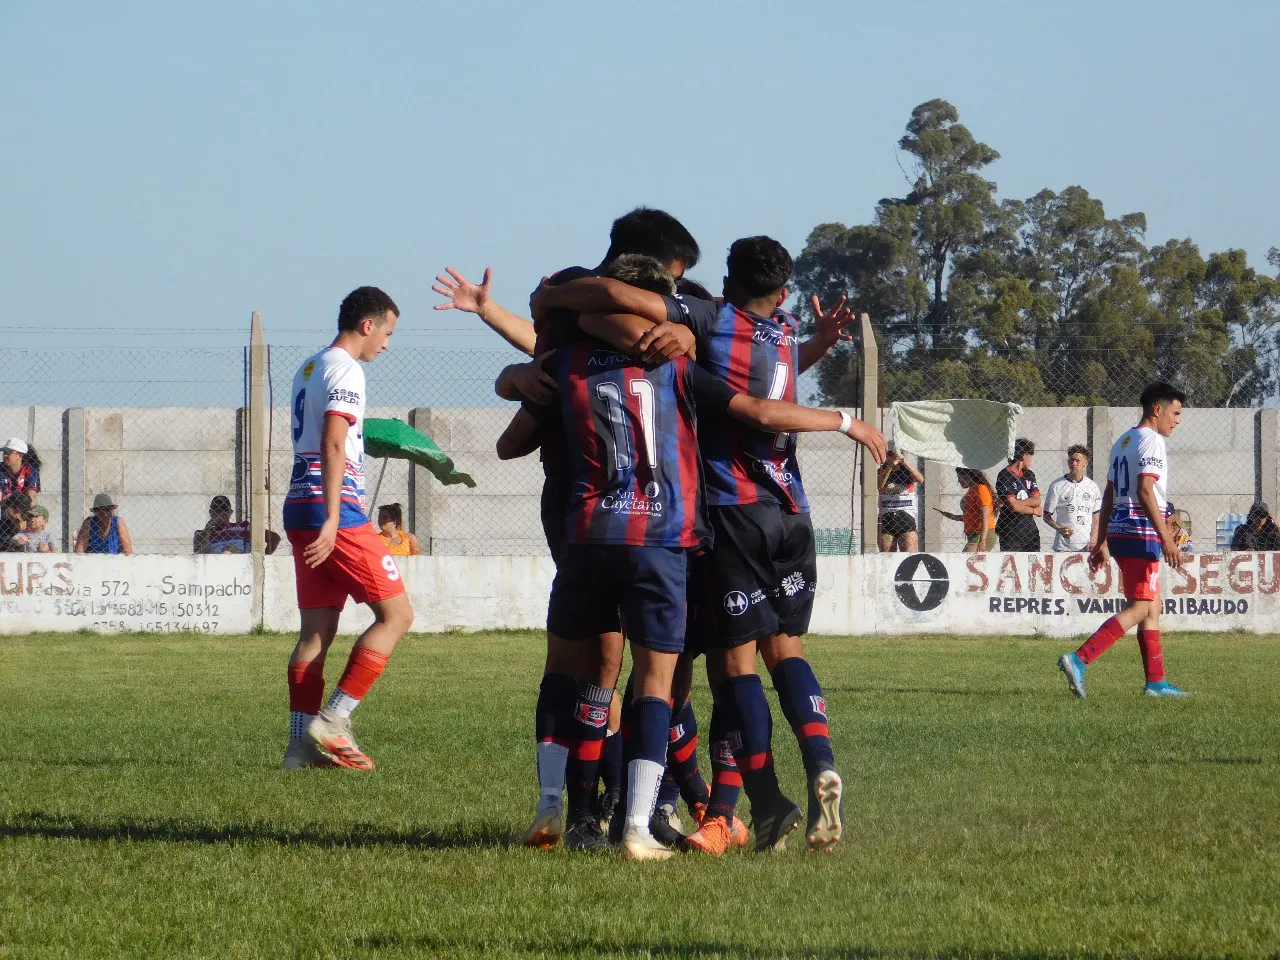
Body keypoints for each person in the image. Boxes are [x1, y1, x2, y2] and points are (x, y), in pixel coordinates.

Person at [499, 254, 884, 860]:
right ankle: (707, 803)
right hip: (725, 524)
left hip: (633, 532)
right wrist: (842, 409)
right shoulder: (733, 351)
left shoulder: (584, 360)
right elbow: (759, 400)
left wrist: (527, 359)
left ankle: (594, 808)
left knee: (618, 672)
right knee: (725, 667)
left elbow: (509, 442)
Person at [441, 209, 702, 852]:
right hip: (596, 509)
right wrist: (512, 360)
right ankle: (611, 808)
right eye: (669, 283)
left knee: (638, 664)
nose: (668, 302)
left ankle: (628, 802)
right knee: (613, 662)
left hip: (605, 513)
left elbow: (555, 348)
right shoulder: (595, 299)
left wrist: (517, 348)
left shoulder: (618, 312)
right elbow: (547, 350)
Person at [281, 286, 415, 772]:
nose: (387, 343)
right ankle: (335, 718)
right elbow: (333, 441)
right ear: (368, 325)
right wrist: (337, 517)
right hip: (329, 507)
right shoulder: (346, 369)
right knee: (397, 616)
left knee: (316, 630)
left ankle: (299, 748)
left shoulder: (310, 366)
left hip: (298, 504)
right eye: (388, 332)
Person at [1058, 382, 1190, 700]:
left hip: (1121, 530)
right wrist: (1166, 539)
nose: (1178, 420)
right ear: (1156, 410)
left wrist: (1102, 540)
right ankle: (1079, 659)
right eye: (1175, 412)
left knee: (1152, 607)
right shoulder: (1152, 442)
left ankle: (1156, 683)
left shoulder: (1123, 441)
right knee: (1141, 606)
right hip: (1141, 533)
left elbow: (1109, 493)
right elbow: (1145, 490)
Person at [1041, 446, 1103, 553]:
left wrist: (1093, 540)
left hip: (1087, 546)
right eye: (1071, 460)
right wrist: (1059, 529)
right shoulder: (1057, 485)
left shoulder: (1092, 486)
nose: (1073, 463)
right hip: (1063, 547)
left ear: (1085, 463)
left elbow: (1097, 517)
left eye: (1077, 460)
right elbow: (1046, 516)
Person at [995, 438, 1042, 551]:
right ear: (1022, 456)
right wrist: (1033, 510)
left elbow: (1037, 500)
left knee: (1033, 565)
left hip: (1030, 531)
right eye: (1030, 455)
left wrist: (1017, 503)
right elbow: (1014, 507)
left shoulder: (1029, 475)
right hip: (1011, 531)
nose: (1031, 459)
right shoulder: (1004, 475)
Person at [934, 468, 996, 552]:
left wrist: (983, 540)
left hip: (981, 534)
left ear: (970, 477)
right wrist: (954, 517)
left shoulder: (980, 488)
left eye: (961, 478)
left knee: (964, 561)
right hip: (975, 534)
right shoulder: (972, 490)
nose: (959, 481)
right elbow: (973, 515)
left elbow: (985, 515)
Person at [877, 448, 923, 552]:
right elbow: (880, 486)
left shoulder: (907, 470)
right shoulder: (882, 471)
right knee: (887, 554)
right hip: (887, 516)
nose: (892, 456)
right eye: (889, 454)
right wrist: (890, 467)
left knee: (908, 553)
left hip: (906, 516)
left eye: (894, 454)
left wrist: (904, 460)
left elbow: (920, 479)